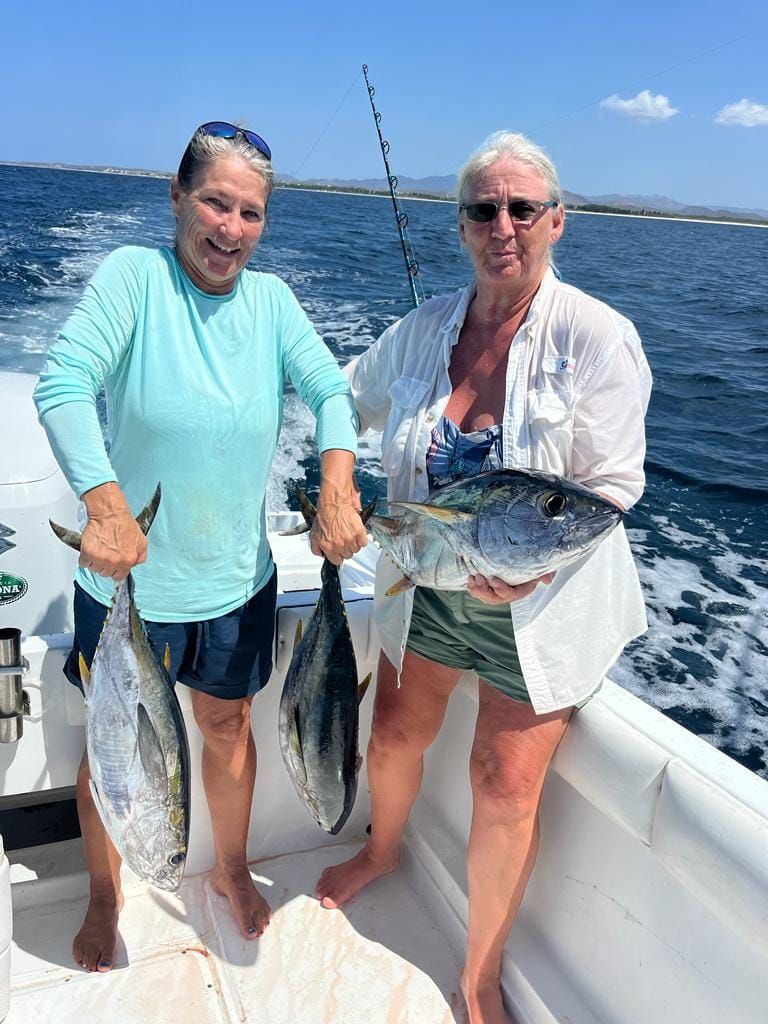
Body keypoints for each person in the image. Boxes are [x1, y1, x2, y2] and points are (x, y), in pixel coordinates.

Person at [316, 131, 651, 1024]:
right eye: (482, 209)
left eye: (521, 208)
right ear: (461, 225)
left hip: (543, 605)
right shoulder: (425, 328)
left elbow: (613, 489)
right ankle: (385, 851)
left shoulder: (599, 337)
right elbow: (340, 394)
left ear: (556, 222)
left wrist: (529, 575)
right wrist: (335, 480)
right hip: (430, 582)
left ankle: (480, 973)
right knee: (390, 738)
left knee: (503, 785)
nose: (502, 225)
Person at [33, 121, 367, 974]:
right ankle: (105, 897)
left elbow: (330, 391)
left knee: (228, 730)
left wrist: (336, 485)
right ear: (176, 196)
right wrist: (105, 507)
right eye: (215, 202)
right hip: (125, 588)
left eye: (250, 213)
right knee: (112, 745)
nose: (230, 228)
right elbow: (65, 381)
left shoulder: (274, 304)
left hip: (233, 585)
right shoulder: (135, 279)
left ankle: (228, 867)